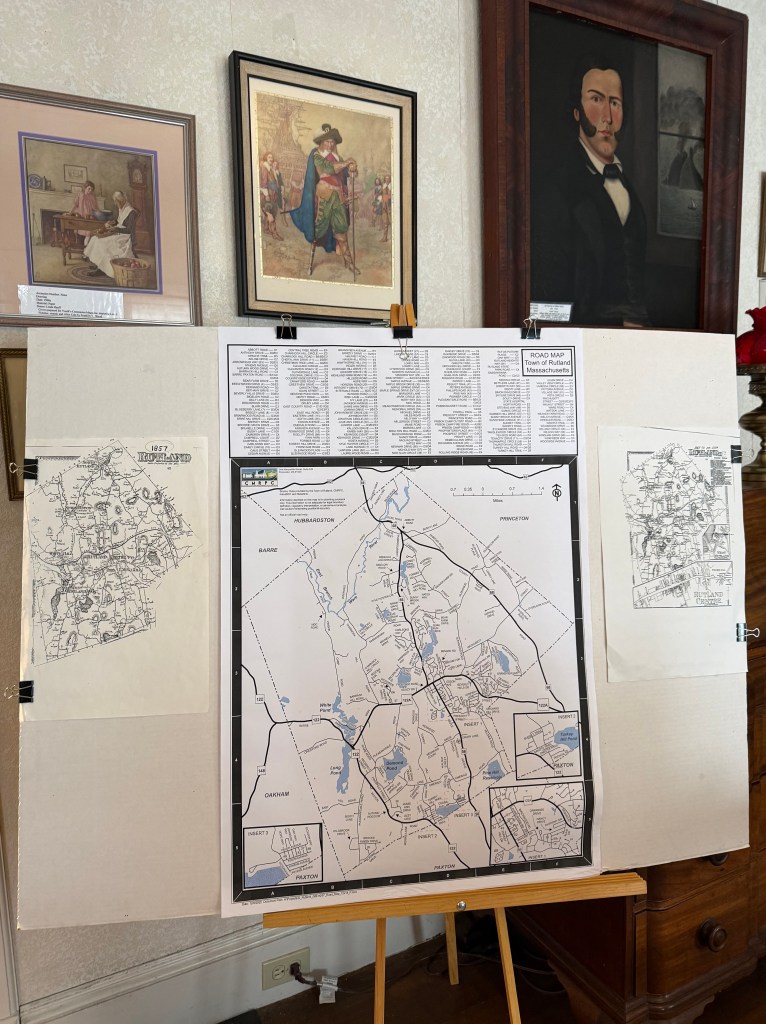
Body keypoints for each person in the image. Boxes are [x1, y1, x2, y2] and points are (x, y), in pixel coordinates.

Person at [531, 57, 649, 326]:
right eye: (596, 99)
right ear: (577, 111)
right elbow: (547, 304)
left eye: (615, 103)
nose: (608, 117)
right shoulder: (555, 189)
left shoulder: (629, 187)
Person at [290, 123, 360, 275]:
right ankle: (310, 264)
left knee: (341, 231)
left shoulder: (338, 158)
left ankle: (349, 263)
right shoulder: (316, 155)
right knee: (317, 232)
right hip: (322, 198)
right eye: (327, 141)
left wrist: (353, 170)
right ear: (321, 141)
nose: (330, 144)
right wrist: (347, 162)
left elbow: (346, 175)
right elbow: (329, 168)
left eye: (332, 141)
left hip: (338, 198)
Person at [83, 191, 138, 278]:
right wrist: (112, 222)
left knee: (103, 243)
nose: (116, 204)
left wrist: (115, 229)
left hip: (125, 236)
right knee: (95, 239)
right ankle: (100, 265)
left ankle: (102, 269)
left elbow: (129, 230)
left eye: (117, 202)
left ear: (121, 201)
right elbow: (120, 221)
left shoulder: (131, 212)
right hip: (118, 232)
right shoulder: (122, 208)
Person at [259, 152, 283, 240]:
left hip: (273, 195)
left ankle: (266, 229)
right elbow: (263, 183)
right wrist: (266, 194)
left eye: (272, 157)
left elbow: (274, 183)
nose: (271, 159)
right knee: (270, 215)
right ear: (266, 158)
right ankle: (274, 233)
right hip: (267, 195)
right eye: (269, 157)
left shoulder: (271, 169)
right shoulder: (264, 168)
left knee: (271, 212)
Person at [381, 173, 392, 243]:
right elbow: (383, 195)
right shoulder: (384, 186)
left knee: (392, 221)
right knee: (386, 222)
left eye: (388, 178)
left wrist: (388, 197)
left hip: (391, 205)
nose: (387, 179)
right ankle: (385, 237)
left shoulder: (392, 186)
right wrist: (384, 204)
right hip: (385, 205)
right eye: (386, 178)